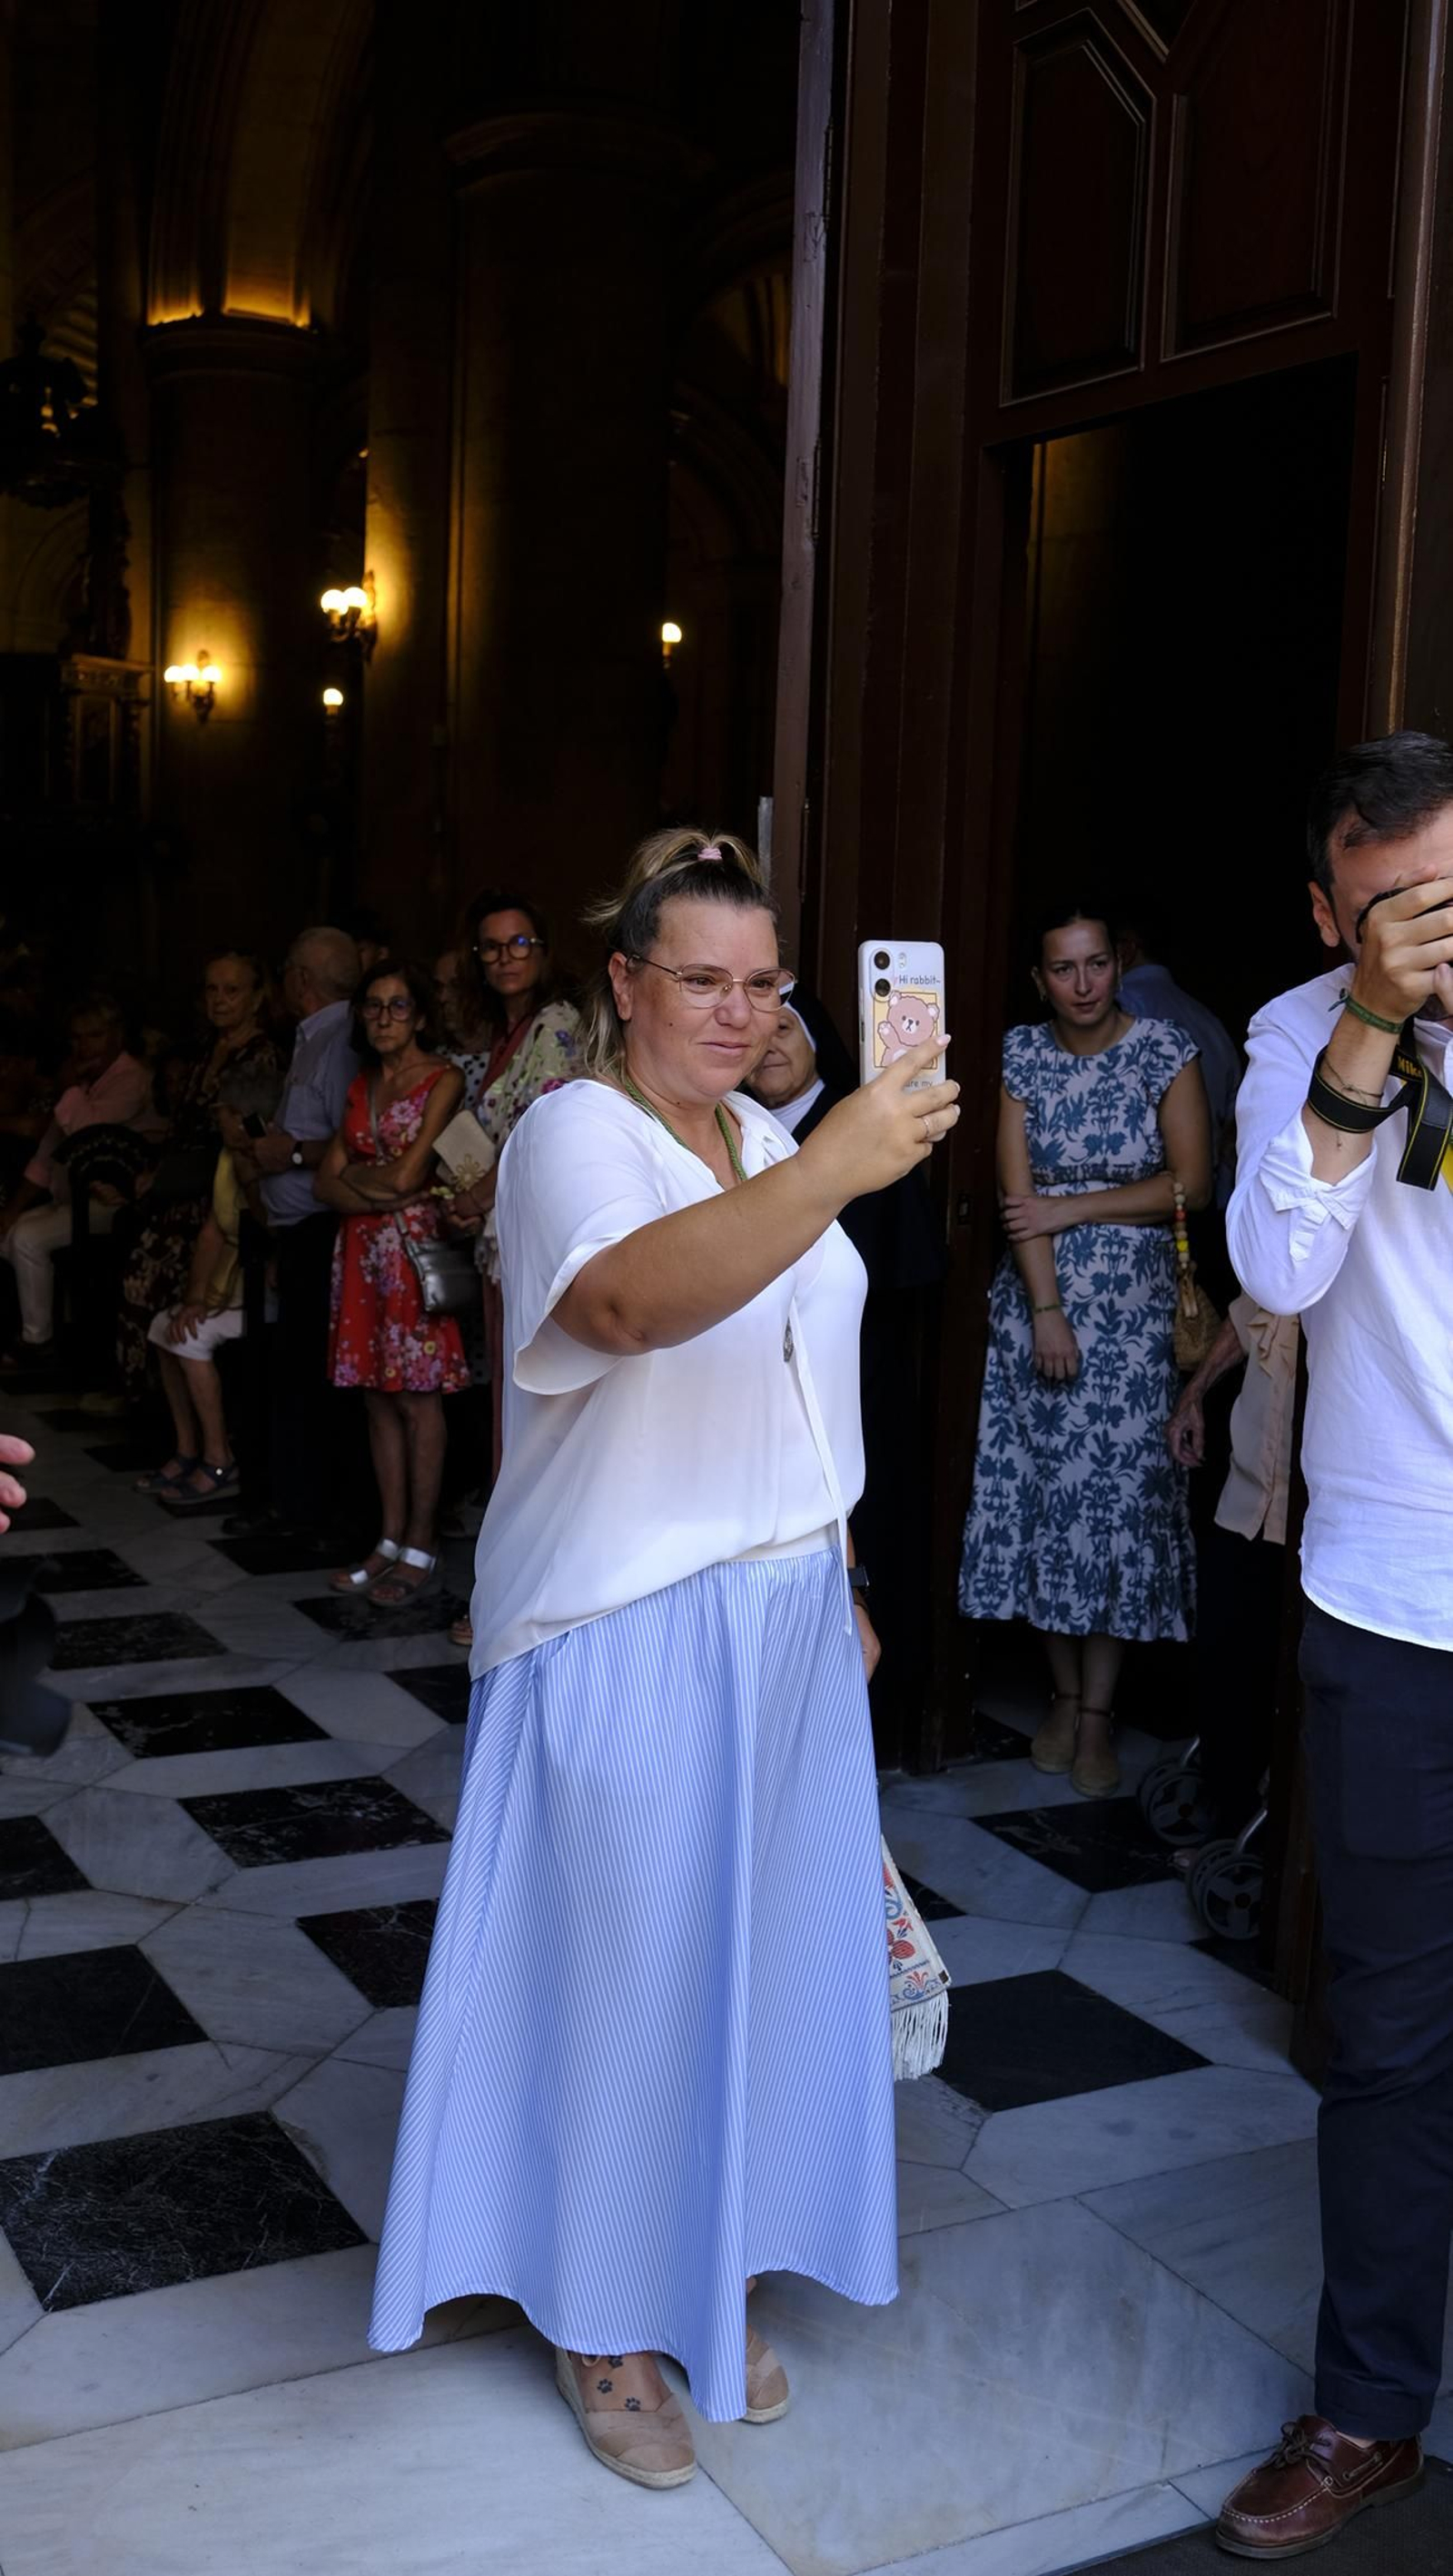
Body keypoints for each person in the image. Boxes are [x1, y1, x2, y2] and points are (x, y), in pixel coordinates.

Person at [368, 828, 960, 2483]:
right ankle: (602, 2315)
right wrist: (840, 1165)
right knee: (622, 1975)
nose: (734, 1008)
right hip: (623, 1615)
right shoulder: (574, 1132)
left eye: (760, 982)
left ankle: (700, 2266)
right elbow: (628, 1309)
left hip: (777, 1605)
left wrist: (835, 1562)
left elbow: (791, 1360)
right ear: (624, 985)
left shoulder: (770, 1128)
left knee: (752, 1959)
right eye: (698, 977)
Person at [1215, 731, 1453, 2561]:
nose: (1423, 931)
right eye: (1385, 907)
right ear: (1326, 912)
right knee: (1384, 2030)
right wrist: (1368, 1028)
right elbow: (1277, 1273)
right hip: (1394, 1600)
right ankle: (1365, 2404)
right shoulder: (1301, 1035)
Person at [958, 903, 1211, 1799]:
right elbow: (1013, 1195)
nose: (1080, 983)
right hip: (1043, 1304)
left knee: (1111, 1510)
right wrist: (1046, 1309)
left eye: (1094, 964)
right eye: (1062, 968)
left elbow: (1192, 1181)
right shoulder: (1020, 1054)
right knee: (1045, 1503)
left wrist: (1075, 1209)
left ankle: (1100, 1714)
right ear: (1040, 979)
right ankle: (1061, 1697)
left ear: (1118, 963)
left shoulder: (1163, 1051)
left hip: (1136, 1313)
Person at [746, 987, 946, 1722]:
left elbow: (903, 1261)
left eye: (785, 1031)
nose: (769, 1045)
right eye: (758, 1033)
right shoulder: (728, 1132)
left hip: (857, 1373)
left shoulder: (862, 1125)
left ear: (815, 1041)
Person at [441, 890, 582, 1641]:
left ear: (546, 952)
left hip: (530, 1242)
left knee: (524, 1416)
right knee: (509, 1412)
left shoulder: (556, 1025)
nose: (504, 957)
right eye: (491, 947)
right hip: (501, 1240)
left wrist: (478, 1195)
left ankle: (513, 1598)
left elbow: (540, 1125)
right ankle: (508, 1590)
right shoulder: (506, 1031)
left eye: (519, 943)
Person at [317, 959, 470, 1602]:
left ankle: (421, 1542)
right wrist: (366, 1187)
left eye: (398, 1006)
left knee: (417, 1398)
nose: (384, 1018)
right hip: (359, 1256)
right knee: (376, 1396)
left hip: (413, 1255)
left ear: (422, 1015)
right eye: (373, 1006)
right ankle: (387, 1538)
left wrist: (361, 1182)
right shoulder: (360, 1084)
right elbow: (324, 1182)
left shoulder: (443, 1078)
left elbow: (411, 1178)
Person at [222, 926, 360, 1538]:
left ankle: (307, 1511)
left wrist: (290, 1154)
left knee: (307, 1375)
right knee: (289, 1370)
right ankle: (290, 1500)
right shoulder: (312, 1038)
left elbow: (351, 1141)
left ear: (300, 979)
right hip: (294, 1231)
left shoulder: (339, 1041)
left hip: (321, 1227)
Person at [114, 952, 282, 1406]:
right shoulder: (205, 1049)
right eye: (212, 989)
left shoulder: (260, 1055)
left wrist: (172, 1175)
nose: (220, 1000)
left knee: (161, 1286)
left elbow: (244, 1141)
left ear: (256, 998)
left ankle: (183, 1420)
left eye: (232, 990)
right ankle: (158, 1413)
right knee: (139, 1284)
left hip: (215, 1195)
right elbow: (182, 1123)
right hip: (177, 1192)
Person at [1165, 1297, 1300, 1850]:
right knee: (1227, 1658)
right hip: (1248, 1495)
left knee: (1290, 1680)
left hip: (1317, 1516)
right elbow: (1250, 1310)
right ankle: (1229, 1825)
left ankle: (1271, 1847)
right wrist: (1195, 1392)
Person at [135, 1062, 286, 1508]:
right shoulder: (226, 1157)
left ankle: (220, 1458)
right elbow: (212, 1231)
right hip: (228, 1285)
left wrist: (252, 1177)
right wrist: (194, 1298)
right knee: (166, 1327)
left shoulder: (262, 1162)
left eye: (222, 1111)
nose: (215, 1117)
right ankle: (188, 1448)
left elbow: (270, 1226)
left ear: (242, 1116)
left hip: (262, 1289)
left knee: (191, 1338)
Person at [0, 998, 160, 1366]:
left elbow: (87, 1134)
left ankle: (38, 1341)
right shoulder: (87, 1082)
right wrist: (12, 1208)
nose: (83, 1046)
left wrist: (69, 1087)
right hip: (75, 1202)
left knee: (27, 1239)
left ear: (117, 1036)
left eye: (95, 1036)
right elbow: (47, 1155)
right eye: (77, 1038)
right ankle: (57, 1327)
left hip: (119, 1203)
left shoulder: (130, 1080)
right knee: (11, 1234)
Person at [1115, 904, 1242, 1197]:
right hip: (1207, 1202)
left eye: (1098, 959)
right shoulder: (1209, 1022)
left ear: (1124, 950)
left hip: (1137, 1197)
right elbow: (1233, 1123)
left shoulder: (1120, 1011)